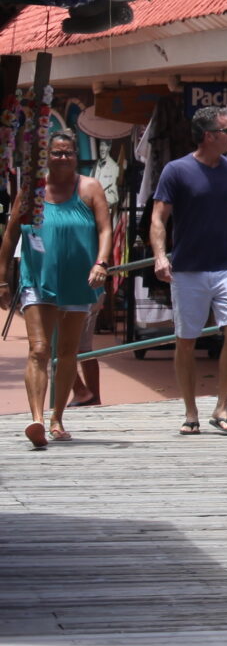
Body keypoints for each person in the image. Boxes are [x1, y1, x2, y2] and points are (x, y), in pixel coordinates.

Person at [5, 131, 112, 448]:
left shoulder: (90, 187)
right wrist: (1, 278)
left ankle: (57, 418)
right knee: (39, 349)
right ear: (46, 156)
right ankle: (37, 419)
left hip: (79, 281)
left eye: (68, 153)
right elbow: (10, 235)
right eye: (57, 152)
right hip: (38, 280)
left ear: (76, 156)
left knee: (67, 353)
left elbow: (105, 229)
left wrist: (102, 262)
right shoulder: (31, 192)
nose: (63, 157)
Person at [151, 105, 227, 436]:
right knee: (186, 340)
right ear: (209, 136)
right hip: (188, 269)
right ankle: (190, 411)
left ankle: (222, 405)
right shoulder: (176, 170)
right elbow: (158, 218)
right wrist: (160, 256)